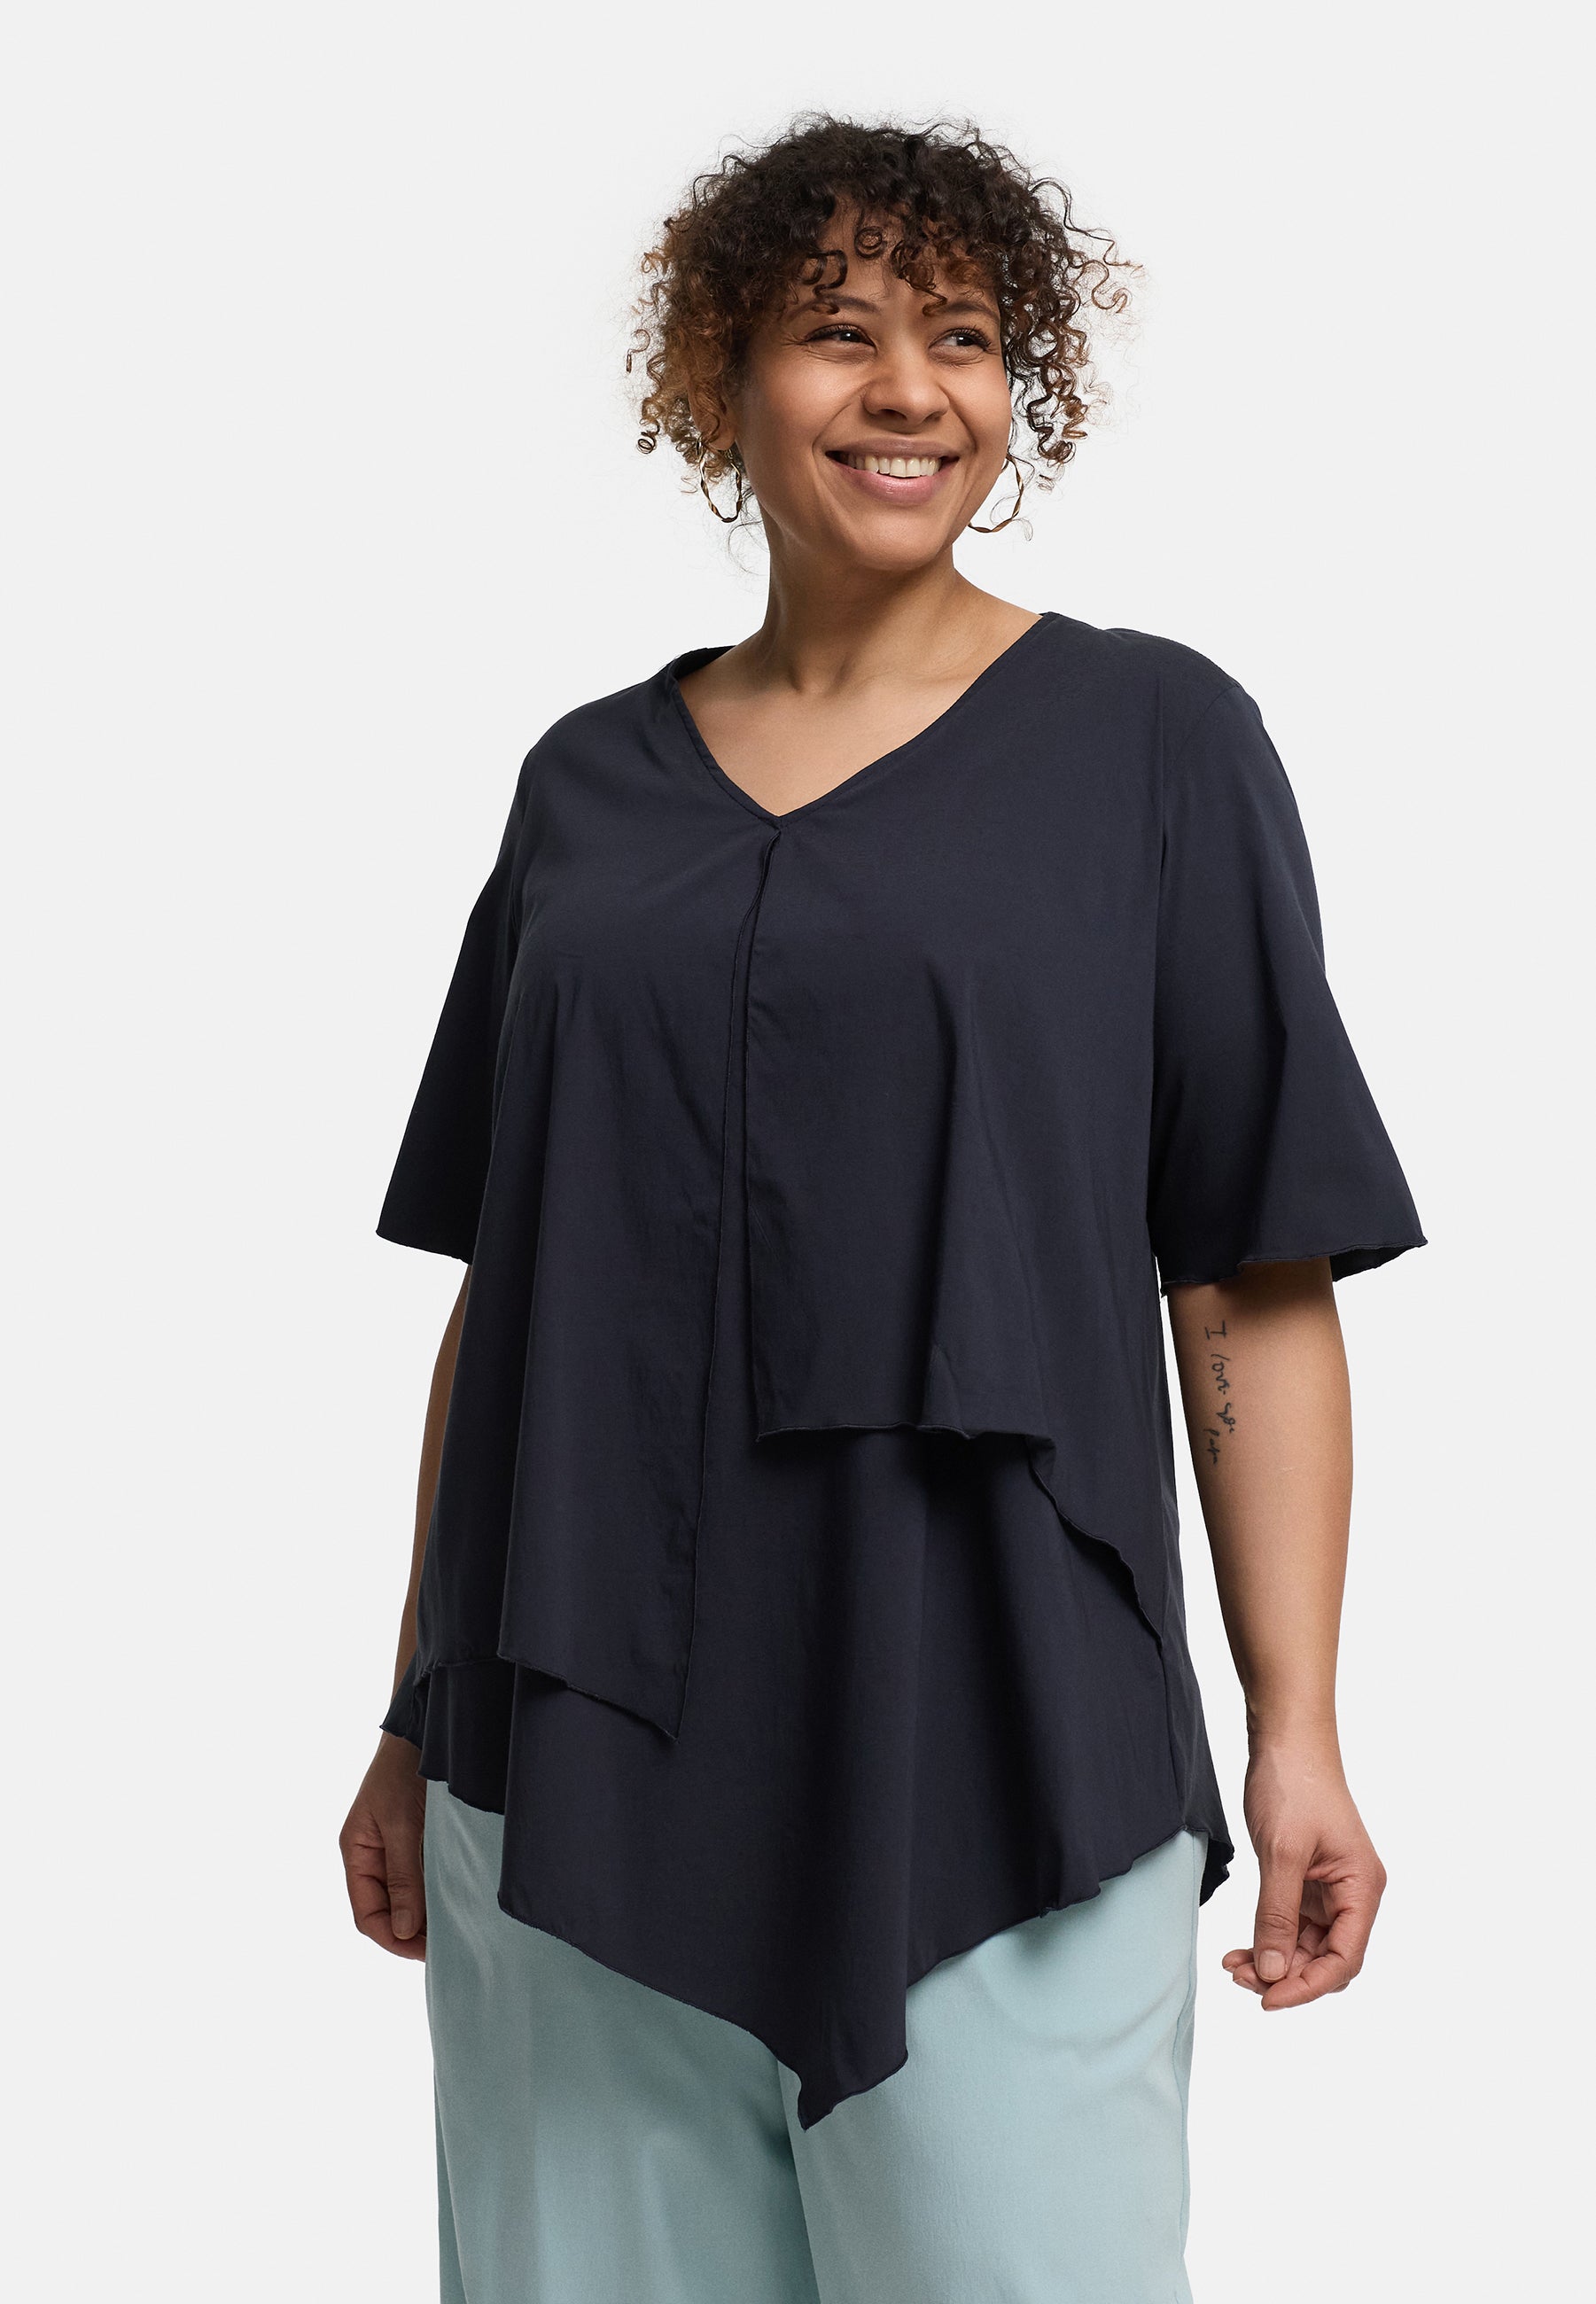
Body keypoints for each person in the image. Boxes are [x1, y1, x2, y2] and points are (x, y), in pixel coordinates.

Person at [339, 114, 1426, 2304]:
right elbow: (506, 1289)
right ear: (719, 376)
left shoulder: (1153, 741)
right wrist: (409, 1706)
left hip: (1002, 1744)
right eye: (837, 333)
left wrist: (1297, 1725)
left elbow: (1248, 1270)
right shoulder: (582, 788)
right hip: (570, 1756)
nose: (910, 389)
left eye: (965, 337)